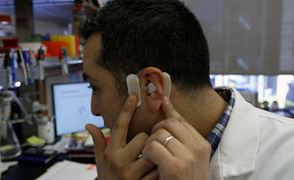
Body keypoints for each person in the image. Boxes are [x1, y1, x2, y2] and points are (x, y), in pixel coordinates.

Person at [80, 0, 294, 179]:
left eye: (95, 88)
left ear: (150, 87)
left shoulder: (287, 160)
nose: (94, 109)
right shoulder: (127, 163)